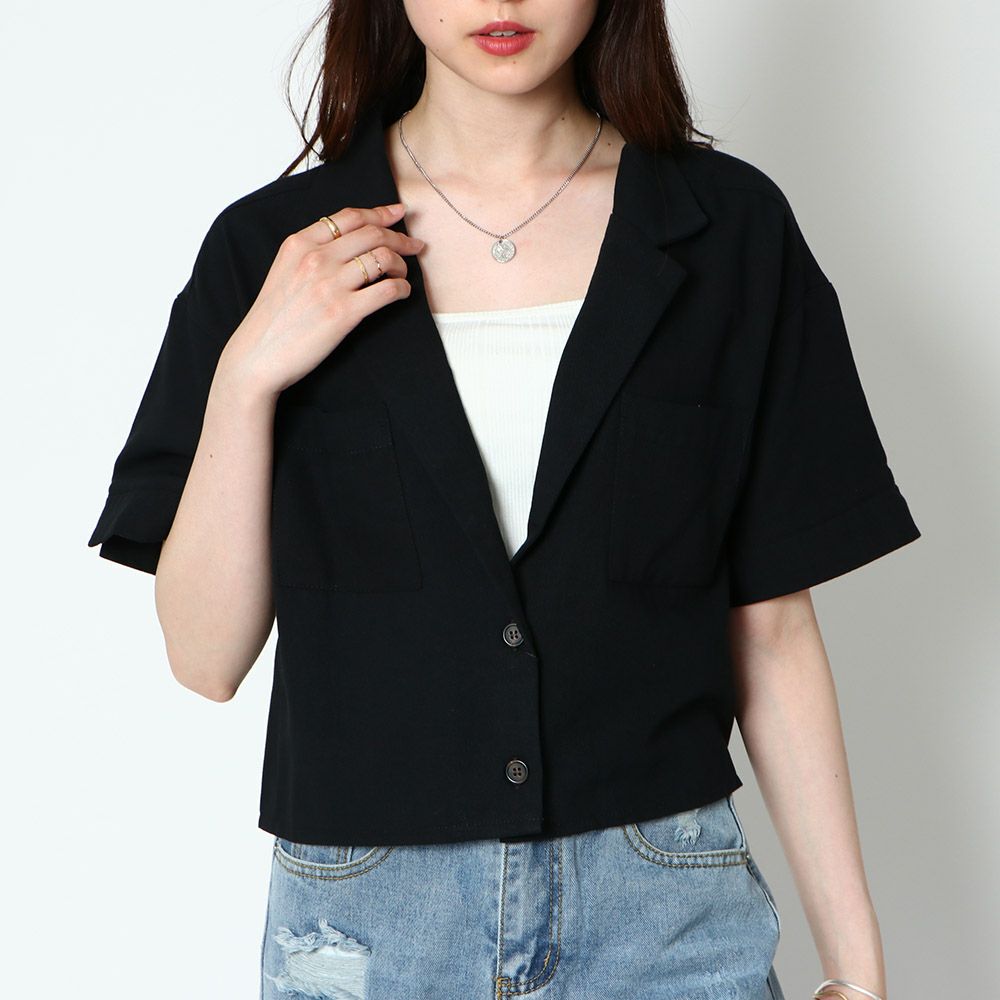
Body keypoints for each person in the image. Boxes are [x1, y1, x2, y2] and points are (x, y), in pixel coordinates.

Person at [87, 2, 921, 998]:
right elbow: (204, 658)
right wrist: (247, 374)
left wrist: (856, 969)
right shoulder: (271, 248)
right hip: (369, 925)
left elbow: (773, 629)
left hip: (664, 916)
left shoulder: (728, 231)